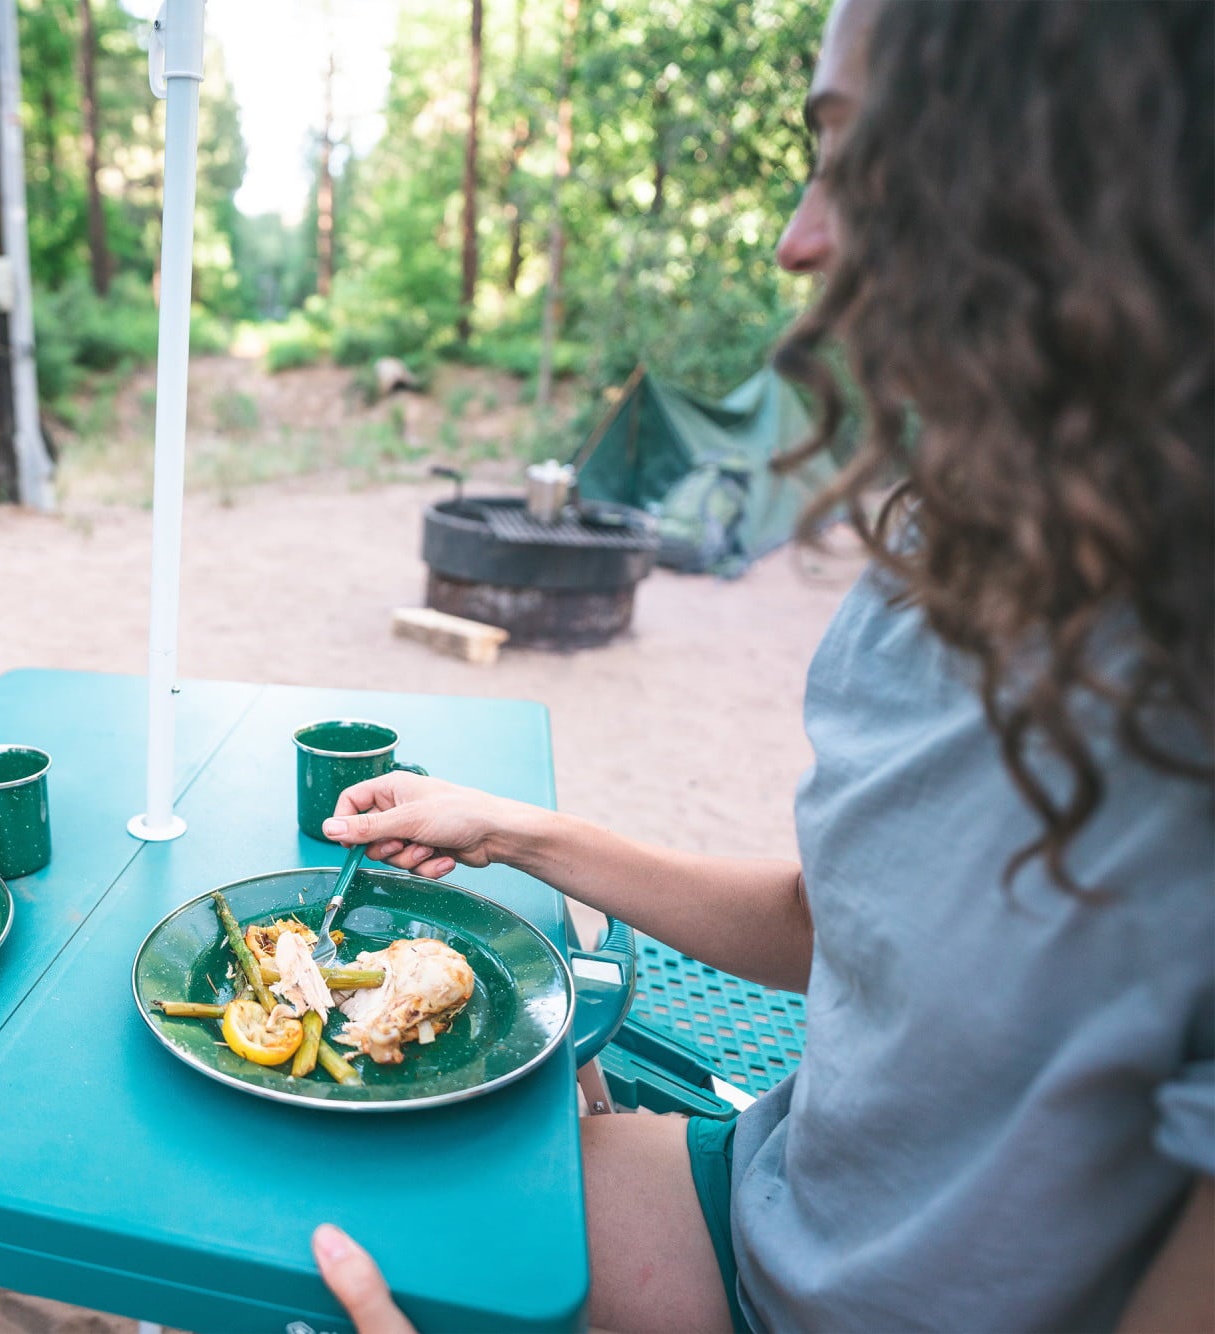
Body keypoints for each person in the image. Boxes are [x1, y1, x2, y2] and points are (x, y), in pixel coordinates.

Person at [309, 0, 1213, 1330]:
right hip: (768, 1214)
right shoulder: (954, 552)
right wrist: (516, 828)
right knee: (334, 1180)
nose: (802, 238)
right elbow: (835, 921)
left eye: (861, 156)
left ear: (1097, 176)